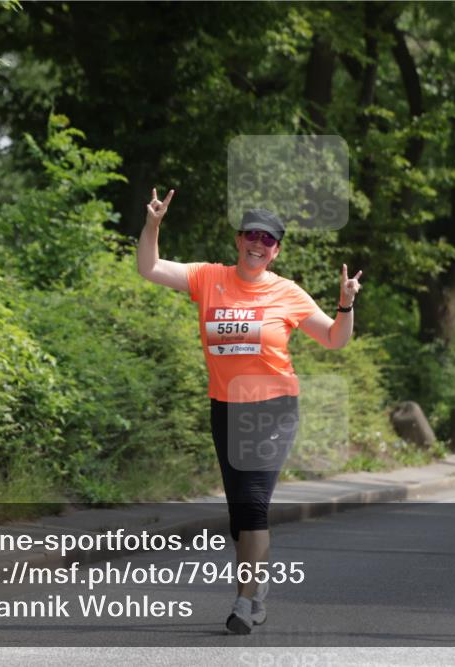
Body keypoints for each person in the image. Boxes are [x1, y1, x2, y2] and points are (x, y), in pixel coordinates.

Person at [137, 189, 362, 635]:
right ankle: (256, 588)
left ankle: (242, 602)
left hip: (273, 408)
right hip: (225, 407)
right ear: (238, 240)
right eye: (251, 236)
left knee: (255, 505)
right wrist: (153, 224)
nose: (259, 245)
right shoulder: (209, 278)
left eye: (269, 240)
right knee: (240, 515)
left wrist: (346, 303)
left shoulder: (288, 293)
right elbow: (150, 268)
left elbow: (336, 339)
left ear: (276, 250)